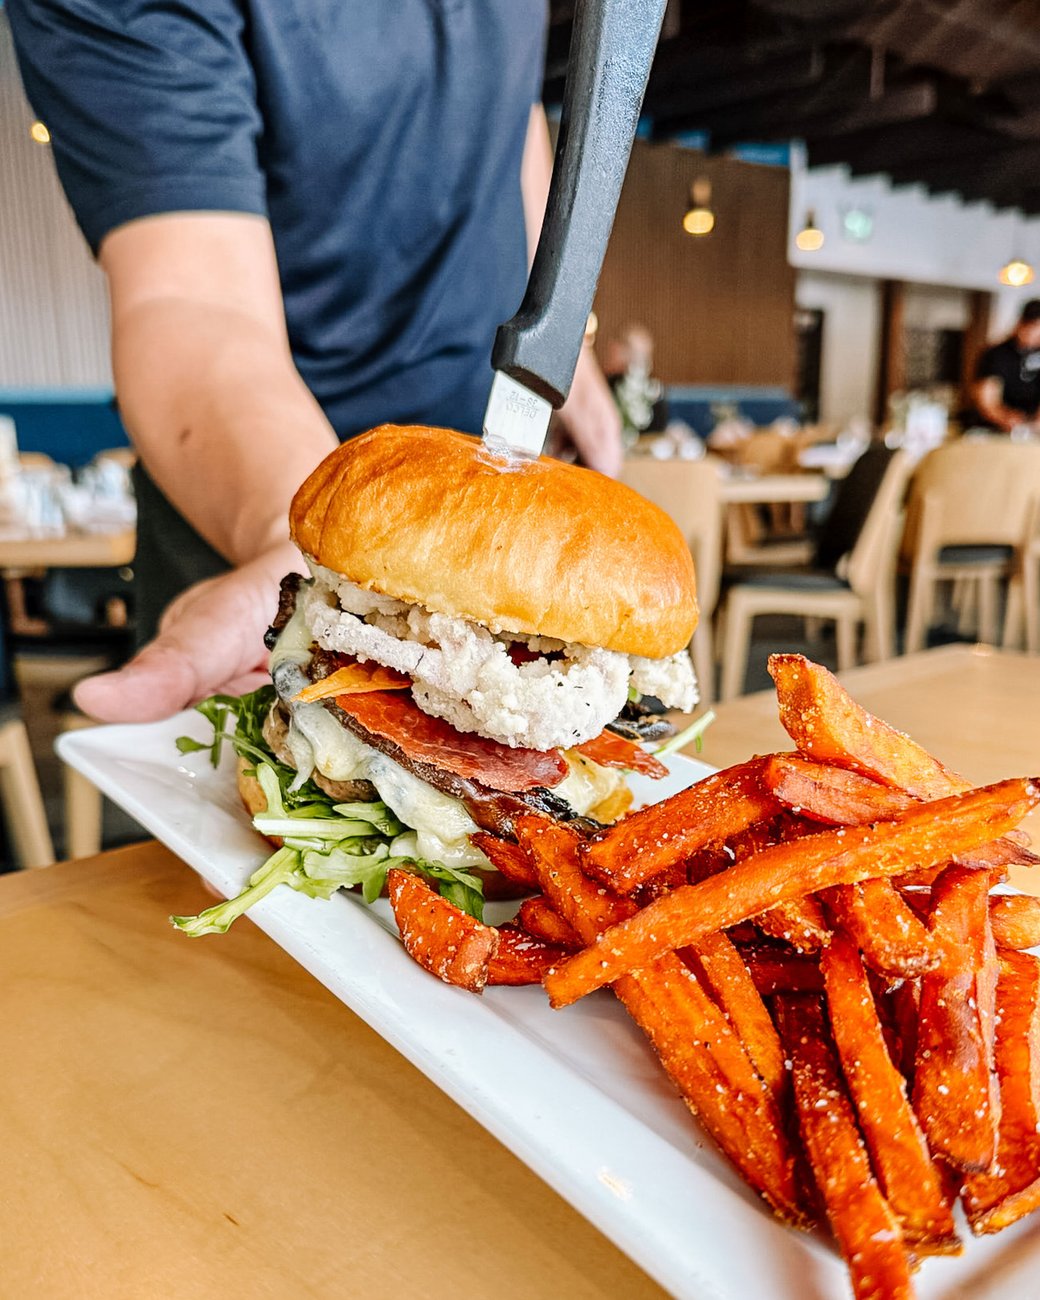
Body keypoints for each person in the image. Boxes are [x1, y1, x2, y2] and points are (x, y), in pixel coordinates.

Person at [6, 0, 622, 724]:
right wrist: (308, 557)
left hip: (490, 472)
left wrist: (564, 336)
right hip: (259, 503)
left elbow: (514, 112)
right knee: (290, 758)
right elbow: (195, 300)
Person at [971, 299, 1040, 432]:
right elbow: (987, 400)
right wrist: (1005, 418)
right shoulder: (996, 355)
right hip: (993, 431)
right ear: (1021, 324)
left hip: (1030, 431)